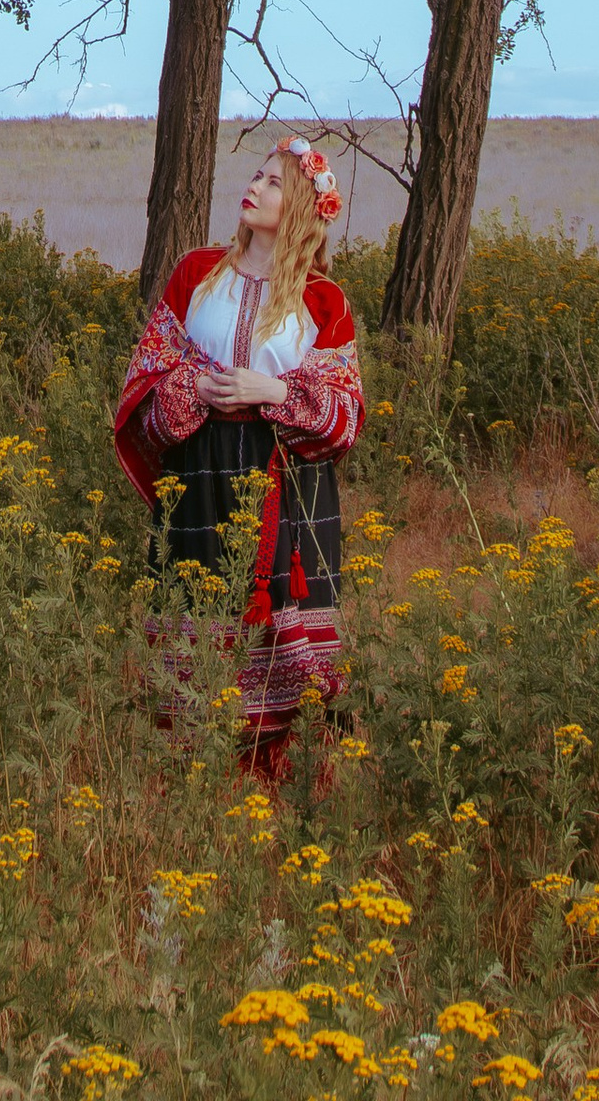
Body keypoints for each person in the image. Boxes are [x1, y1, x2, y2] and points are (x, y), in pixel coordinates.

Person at [112, 134, 364, 776]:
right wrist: (193, 386)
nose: (253, 186)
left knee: (290, 638)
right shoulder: (196, 275)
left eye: (273, 182)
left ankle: (287, 777)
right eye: (255, 175)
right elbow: (143, 380)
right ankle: (193, 782)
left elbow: (343, 415)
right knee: (197, 621)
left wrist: (271, 389)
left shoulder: (323, 301)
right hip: (200, 471)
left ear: (303, 207)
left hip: (288, 485)